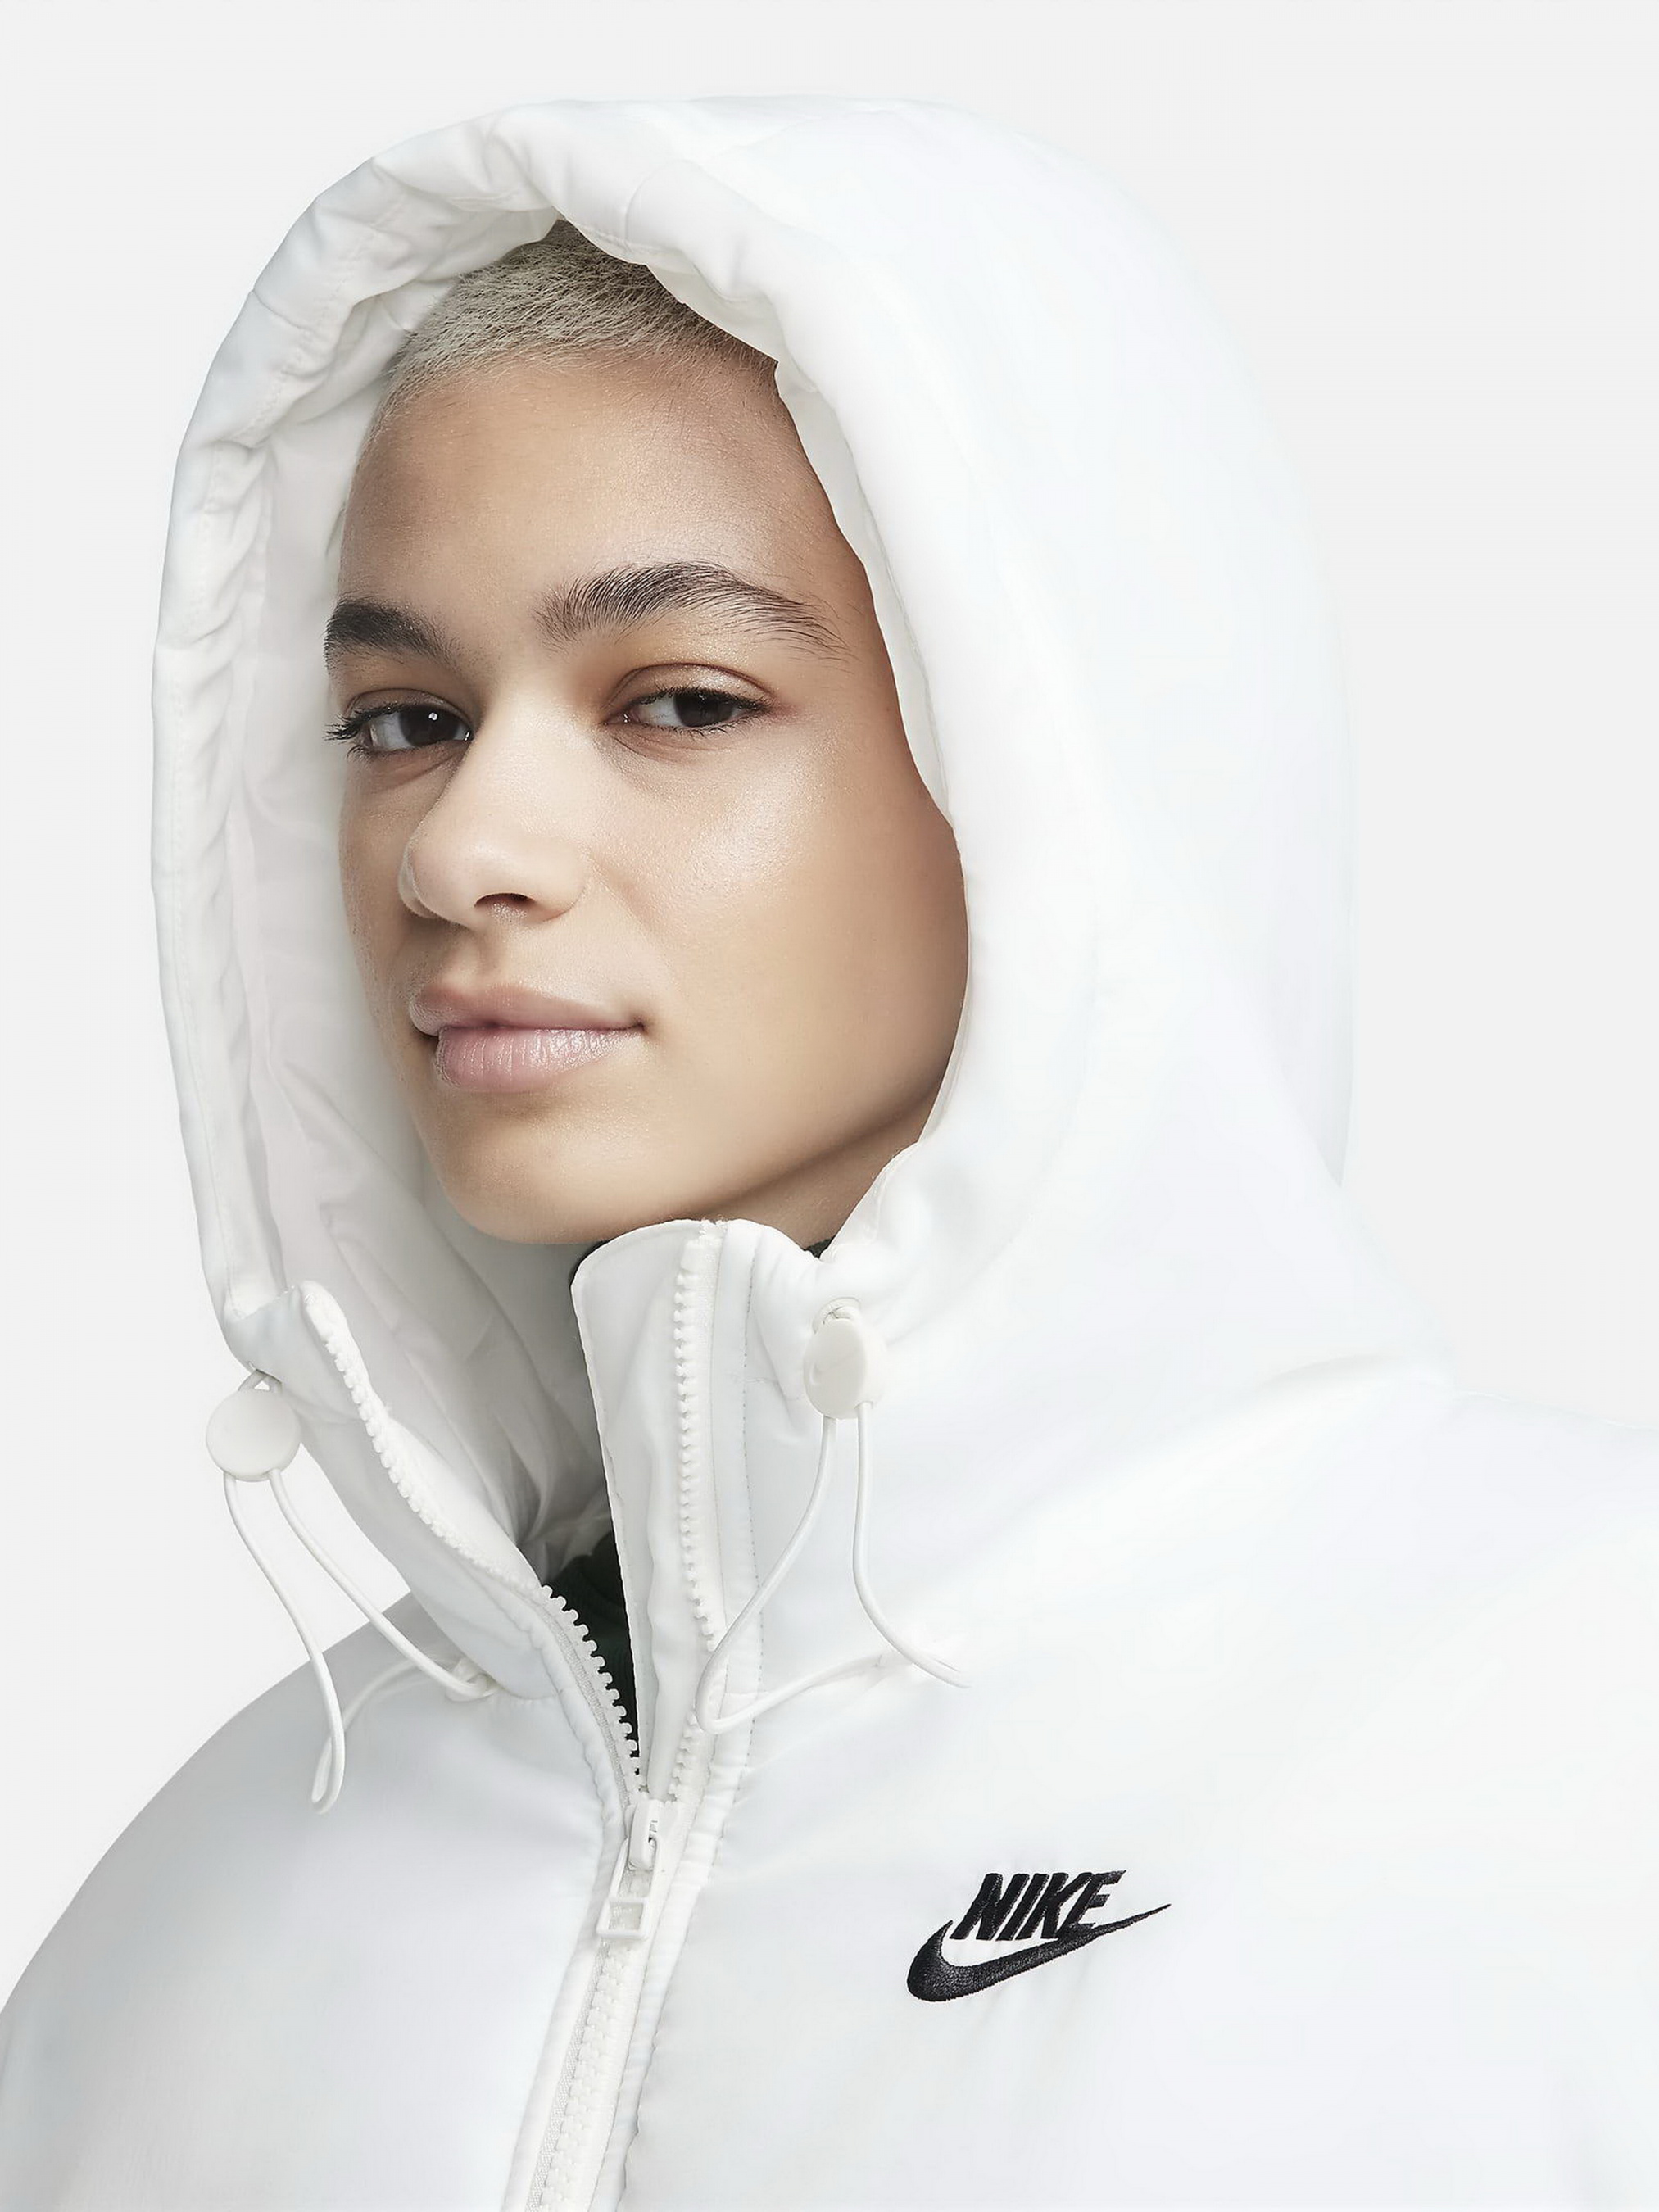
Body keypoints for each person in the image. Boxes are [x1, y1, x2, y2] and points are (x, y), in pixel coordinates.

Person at [2, 91, 1657, 2212]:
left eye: (677, 701)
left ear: (1058, 754)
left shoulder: (1582, 1724)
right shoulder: (192, 1923)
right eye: (406, 719)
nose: (462, 846)